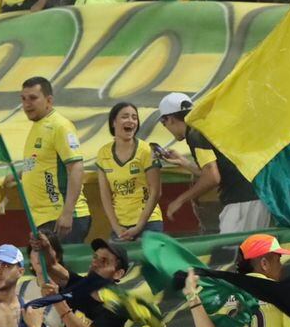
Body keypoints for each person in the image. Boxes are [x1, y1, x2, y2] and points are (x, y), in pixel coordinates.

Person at [159, 92, 269, 233]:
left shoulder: (195, 135)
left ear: (170, 119)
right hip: (256, 195)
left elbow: (212, 177)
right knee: (250, 251)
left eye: (163, 123)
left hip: (242, 200)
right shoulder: (204, 128)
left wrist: (180, 200)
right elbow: (214, 170)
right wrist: (184, 162)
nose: (165, 127)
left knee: (231, 251)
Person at [17, 76, 91, 242]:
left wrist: (67, 213)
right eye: (23, 99)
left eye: (33, 98)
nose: (27, 104)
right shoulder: (38, 126)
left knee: (60, 268)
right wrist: (19, 175)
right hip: (44, 218)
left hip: (61, 218)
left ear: (49, 100)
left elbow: (76, 168)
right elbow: (44, 164)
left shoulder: (60, 126)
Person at [95, 101, 163, 240]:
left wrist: (139, 226)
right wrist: (116, 227)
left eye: (134, 117)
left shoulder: (146, 151)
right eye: (125, 116)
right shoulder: (103, 153)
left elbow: (156, 191)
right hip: (120, 226)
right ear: (113, 122)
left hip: (149, 223)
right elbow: (105, 194)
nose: (131, 121)